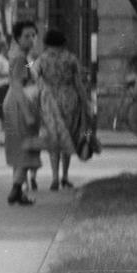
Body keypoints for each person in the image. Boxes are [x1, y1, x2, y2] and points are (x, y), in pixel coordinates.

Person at [34, 29, 90, 190]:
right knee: (68, 137)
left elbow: (32, 71)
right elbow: (78, 82)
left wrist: (26, 62)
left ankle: (54, 178)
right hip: (69, 99)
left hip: (49, 101)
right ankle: (65, 176)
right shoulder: (71, 58)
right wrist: (85, 101)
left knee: (54, 139)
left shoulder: (42, 59)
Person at [0, 20, 43, 205]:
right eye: (26, 36)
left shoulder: (22, 56)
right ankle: (16, 189)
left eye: (33, 35)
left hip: (15, 103)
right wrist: (28, 114)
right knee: (27, 147)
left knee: (20, 148)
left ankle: (19, 191)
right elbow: (17, 86)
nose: (31, 39)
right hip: (19, 104)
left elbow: (27, 75)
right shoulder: (19, 57)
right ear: (17, 38)